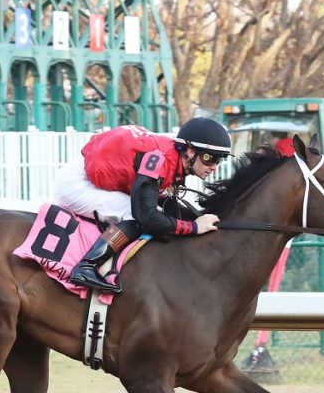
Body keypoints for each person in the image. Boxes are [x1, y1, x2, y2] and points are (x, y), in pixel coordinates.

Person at [53, 118, 231, 294]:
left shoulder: (172, 158)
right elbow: (145, 215)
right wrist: (192, 227)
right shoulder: (159, 160)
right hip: (76, 184)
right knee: (133, 214)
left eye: (219, 160)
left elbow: (165, 206)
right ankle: (87, 266)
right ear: (190, 151)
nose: (214, 167)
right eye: (210, 158)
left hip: (87, 170)